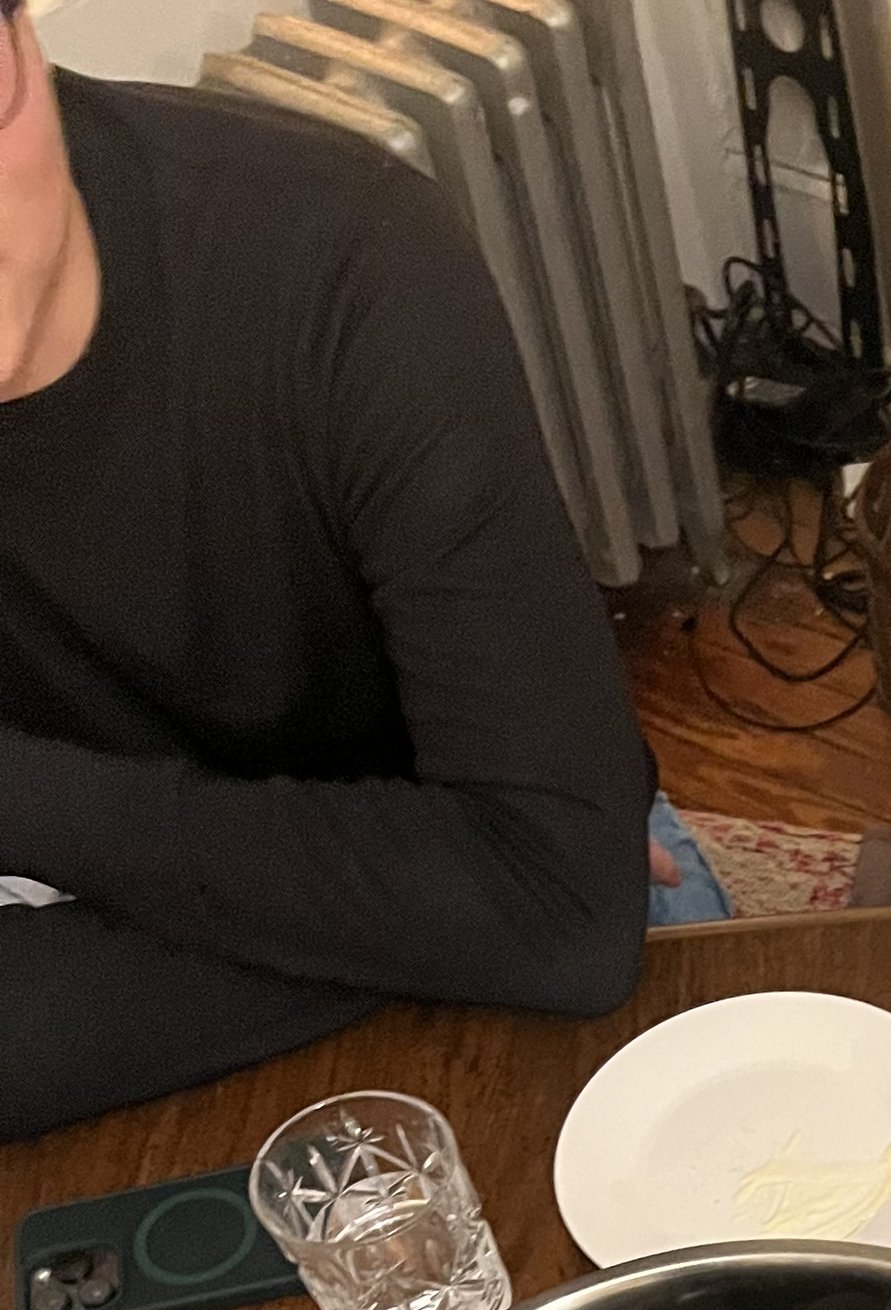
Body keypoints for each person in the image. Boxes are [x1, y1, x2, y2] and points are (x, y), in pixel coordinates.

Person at [0, 6, 667, 1140]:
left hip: (517, 986)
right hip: (318, 955)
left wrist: (19, 802)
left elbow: (570, 912)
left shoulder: (332, 257)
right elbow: (545, 897)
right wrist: (475, 902)